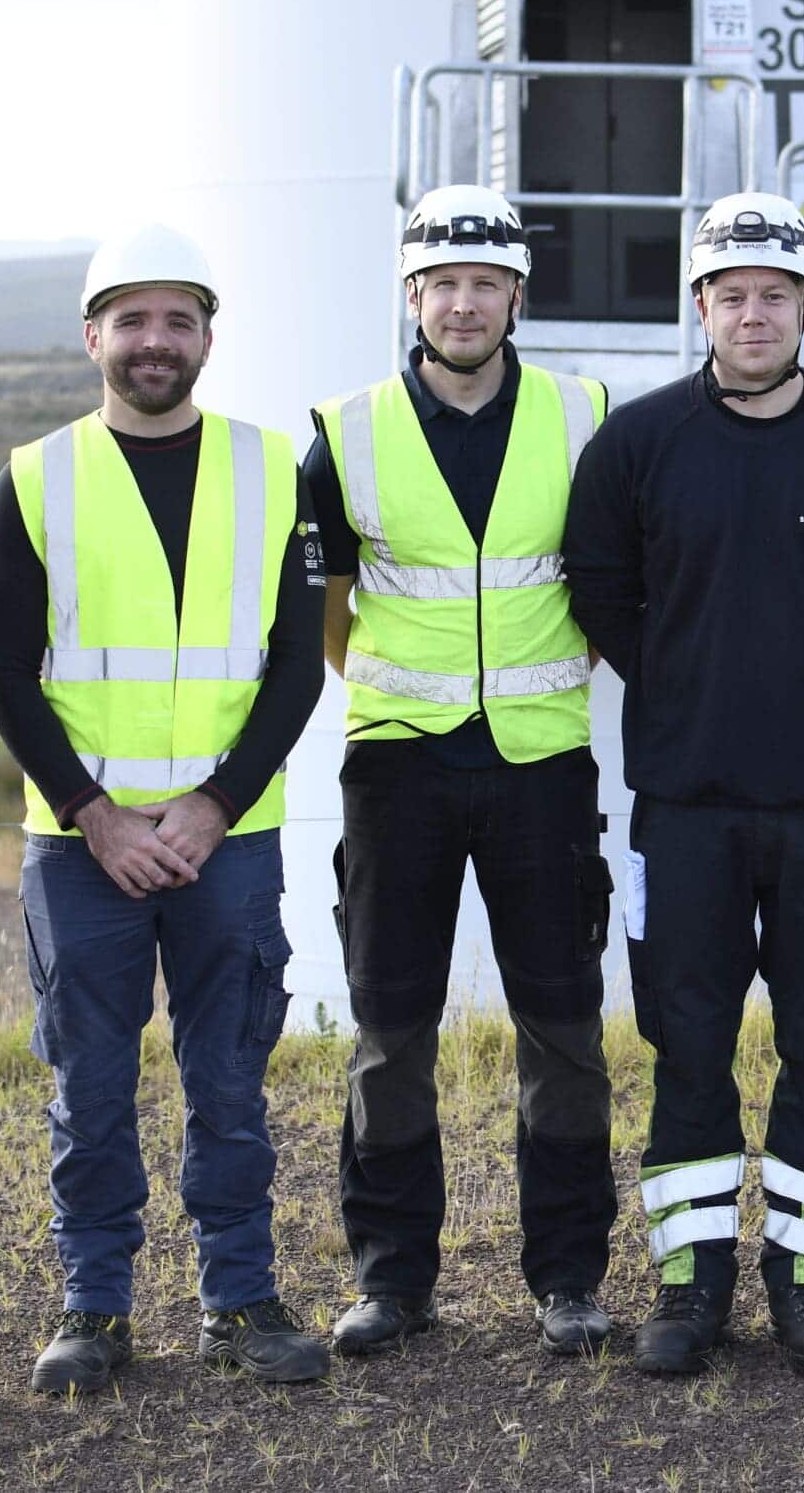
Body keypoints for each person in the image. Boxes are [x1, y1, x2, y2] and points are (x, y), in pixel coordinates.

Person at [562, 192, 804, 1377]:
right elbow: (599, 587)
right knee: (687, 1047)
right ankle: (691, 1285)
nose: (754, 314)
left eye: (776, 295)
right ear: (702, 308)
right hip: (686, 807)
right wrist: (678, 677)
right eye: (732, 295)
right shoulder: (639, 441)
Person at [0, 224, 330, 1394]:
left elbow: (293, 662)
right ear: (94, 337)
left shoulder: (271, 466)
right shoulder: (35, 476)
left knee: (229, 1077)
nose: (155, 341)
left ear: (209, 337)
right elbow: (5, 676)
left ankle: (237, 1300)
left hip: (227, 836)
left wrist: (218, 804)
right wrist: (97, 815)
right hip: (83, 847)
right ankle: (95, 1308)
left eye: (178, 319)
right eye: (132, 319)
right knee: (91, 1086)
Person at [304, 185, 618, 1359]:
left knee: (562, 1026)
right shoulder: (345, 430)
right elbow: (330, 611)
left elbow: (608, 581)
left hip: (541, 764)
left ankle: (569, 1277)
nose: (465, 302)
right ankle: (392, 1280)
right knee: (392, 1029)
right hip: (398, 770)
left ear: (516, 297)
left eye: (486, 282)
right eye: (444, 283)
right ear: (413, 296)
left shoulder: (586, 414)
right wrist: (405, 694)